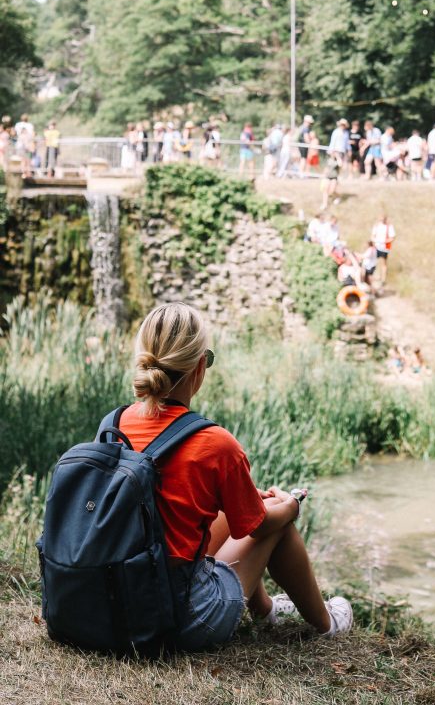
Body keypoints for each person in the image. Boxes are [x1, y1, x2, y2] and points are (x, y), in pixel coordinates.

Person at [111, 302, 352, 647]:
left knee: (237, 509)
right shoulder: (214, 443)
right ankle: (327, 624)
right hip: (178, 619)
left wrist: (254, 502)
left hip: (121, 598)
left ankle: (267, 610)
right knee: (274, 519)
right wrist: (291, 506)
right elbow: (257, 527)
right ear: (199, 367)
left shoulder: (114, 425)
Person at [371, 215, 395, 292]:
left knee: (384, 263)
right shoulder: (376, 226)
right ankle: (375, 276)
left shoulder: (389, 227)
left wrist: (384, 241)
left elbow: (392, 237)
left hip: (384, 247)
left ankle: (383, 279)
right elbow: (372, 236)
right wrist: (375, 241)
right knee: (374, 262)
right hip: (377, 246)